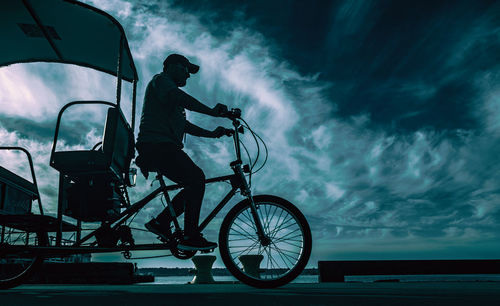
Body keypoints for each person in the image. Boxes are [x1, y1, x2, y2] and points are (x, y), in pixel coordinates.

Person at [135, 54, 231, 251]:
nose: (188, 76)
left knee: (193, 182)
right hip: (156, 145)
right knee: (196, 178)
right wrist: (212, 112)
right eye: (185, 69)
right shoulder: (161, 81)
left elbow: (184, 125)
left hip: (162, 146)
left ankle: (161, 223)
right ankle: (189, 235)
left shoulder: (170, 94)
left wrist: (213, 134)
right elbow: (179, 97)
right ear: (171, 67)